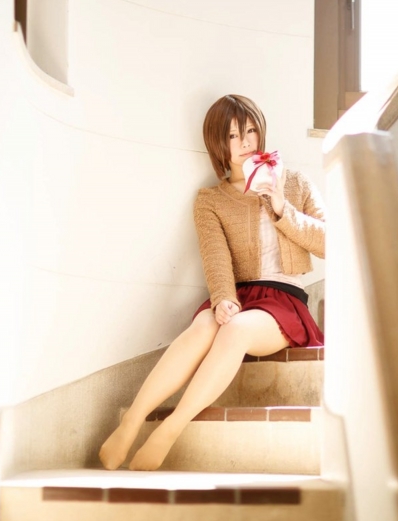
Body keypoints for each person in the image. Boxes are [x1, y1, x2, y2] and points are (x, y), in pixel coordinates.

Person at [98, 94, 325, 471]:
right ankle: (131, 421)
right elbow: (215, 257)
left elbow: (331, 242)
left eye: (250, 130)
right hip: (238, 295)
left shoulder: (296, 183)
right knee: (204, 326)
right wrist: (222, 299)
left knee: (235, 330)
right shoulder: (210, 200)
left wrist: (281, 205)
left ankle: (169, 430)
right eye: (233, 135)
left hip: (283, 301)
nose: (246, 142)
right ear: (219, 144)